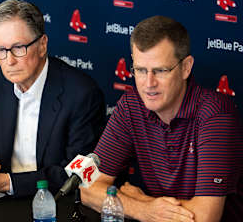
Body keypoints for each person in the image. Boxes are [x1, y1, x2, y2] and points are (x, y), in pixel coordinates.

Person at [80, 16, 242, 222]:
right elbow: (86, 187)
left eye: (160, 70)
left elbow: (205, 217)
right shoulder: (130, 106)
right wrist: (143, 209)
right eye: (140, 70)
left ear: (186, 67)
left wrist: (139, 199)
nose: (149, 83)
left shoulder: (216, 115)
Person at [0, 0, 105, 199]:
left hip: (57, 203)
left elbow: (74, 174)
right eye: (1, 50)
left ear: (42, 45)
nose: (9, 61)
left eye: (18, 48)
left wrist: (6, 182)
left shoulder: (81, 94)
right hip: (0, 200)